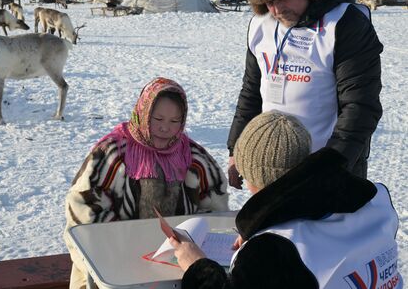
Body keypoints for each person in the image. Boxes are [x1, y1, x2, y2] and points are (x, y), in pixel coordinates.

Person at [171, 111, 402, 289]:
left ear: (253, 176)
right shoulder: (375, 199)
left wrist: (197, 267)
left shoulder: (275, 250)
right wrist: (263, 228)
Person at [227, 0, 383, 189]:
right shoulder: (261, 26)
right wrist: (237, 148)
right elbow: (251, 92)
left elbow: (360, 106)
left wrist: (331, 165)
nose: (276, 10)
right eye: (268, 2)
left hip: (328, 168)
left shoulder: (343, 23)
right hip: (269, 166)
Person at [64, 77, 229, 289]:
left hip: (176, 267)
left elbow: (215, 213)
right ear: (143, 112)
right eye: (157, 119)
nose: (164, 128)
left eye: (174, 121)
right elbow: (82, 213)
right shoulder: (112, 153)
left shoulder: (193, 156)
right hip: (116, 266)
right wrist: (123, 246)